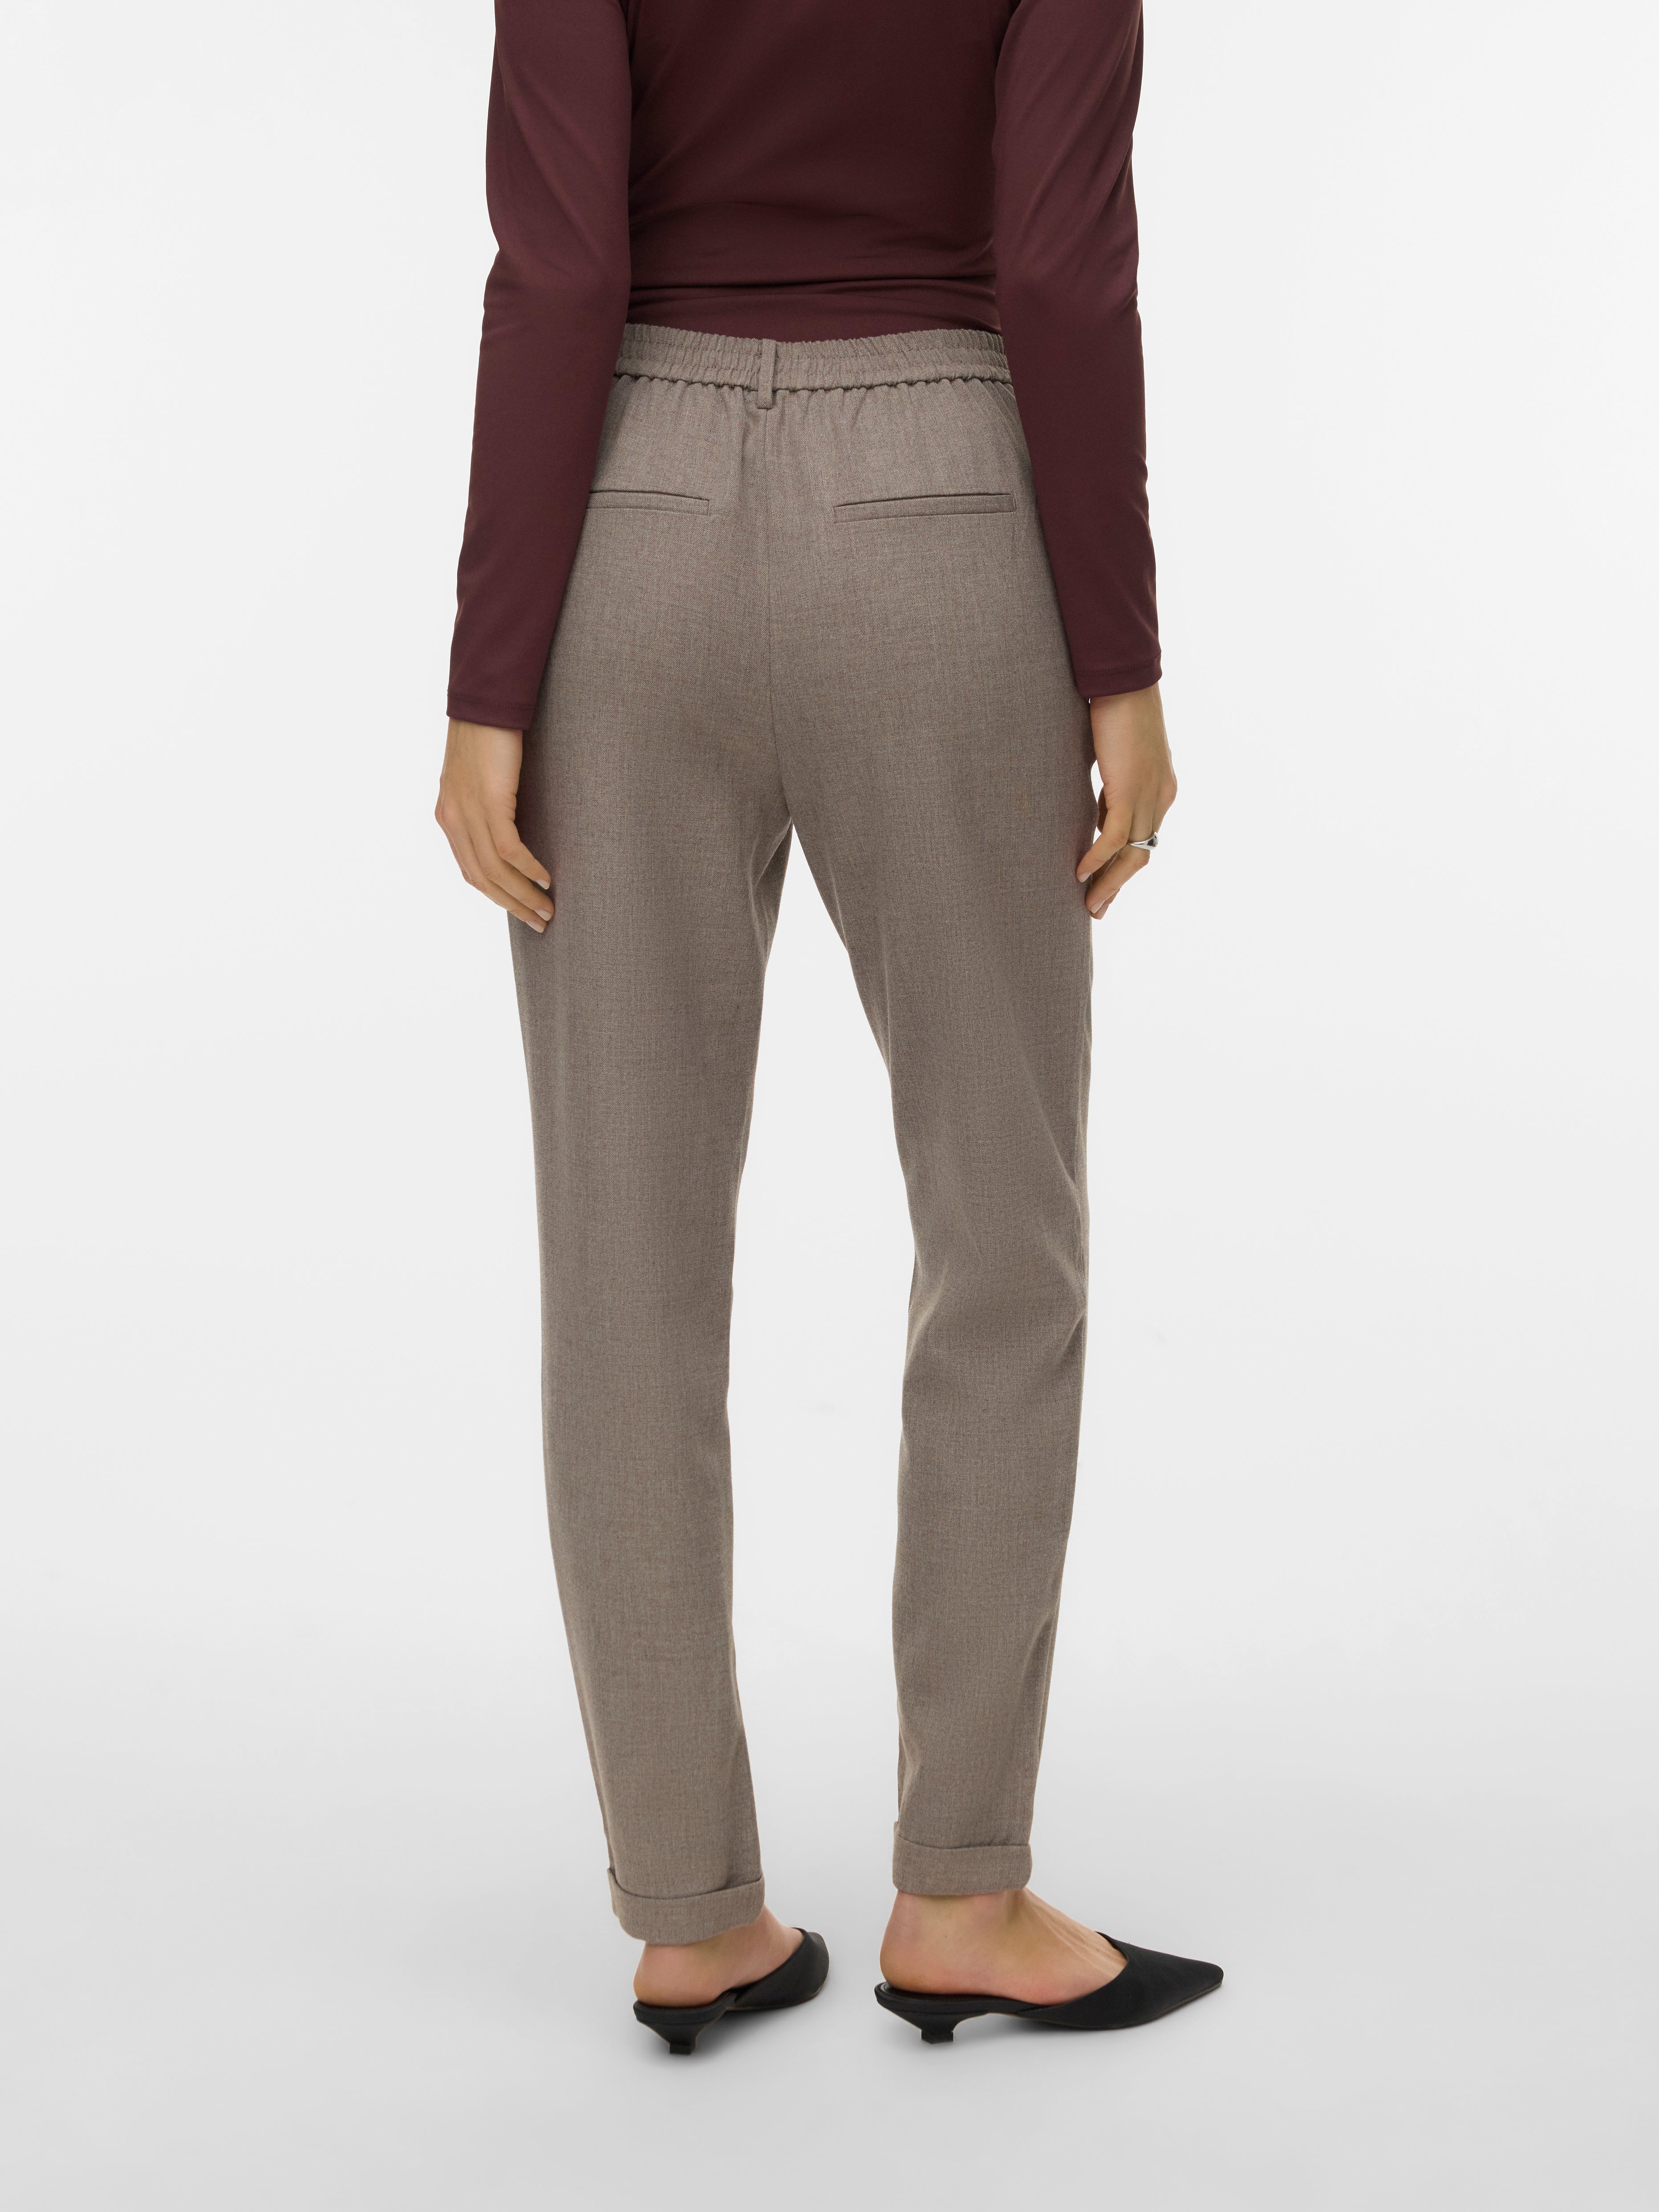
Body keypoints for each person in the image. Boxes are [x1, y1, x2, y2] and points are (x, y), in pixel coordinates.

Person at [435, 0, 1221, 2054]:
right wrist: (1120, 658)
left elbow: (556, 267)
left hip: (629, 523)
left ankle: (690, 1915)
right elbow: (1062, 266)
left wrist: (488, 683)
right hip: (944, 517)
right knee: (999, 1229)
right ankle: (960, 1889)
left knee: (622, 1260)